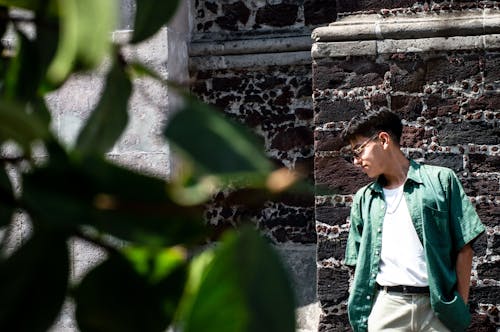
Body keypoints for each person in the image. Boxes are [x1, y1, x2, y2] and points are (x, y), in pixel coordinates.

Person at [342, 108, 485, 332]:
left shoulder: (441, 180)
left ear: (383, 139)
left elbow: (464, 247)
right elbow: (356, 262)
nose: (356, 160)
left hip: (437, 308)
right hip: (387, 306)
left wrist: (459, 304)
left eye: (359, 150)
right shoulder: (364, 199)